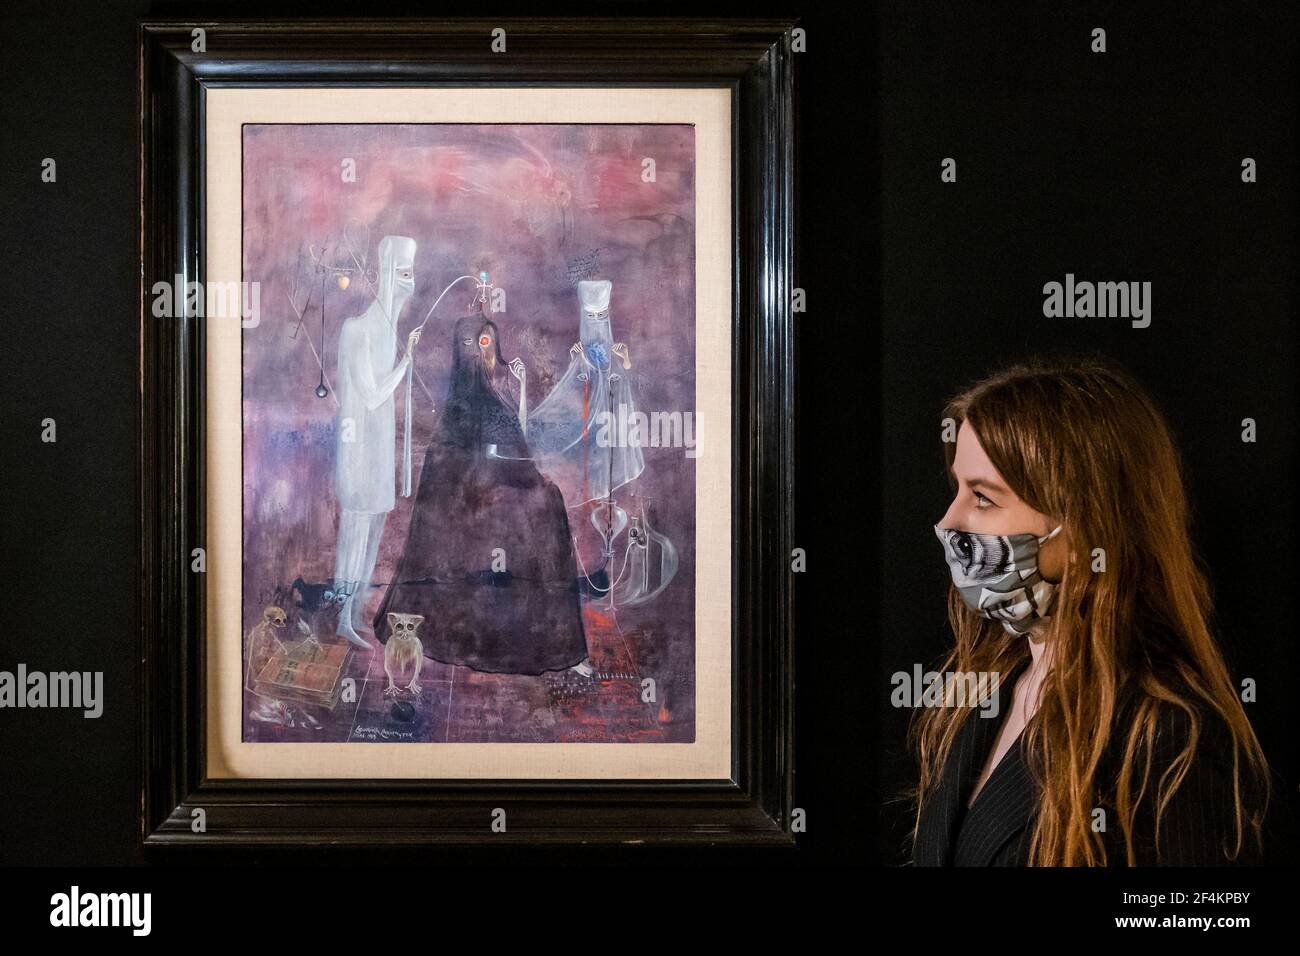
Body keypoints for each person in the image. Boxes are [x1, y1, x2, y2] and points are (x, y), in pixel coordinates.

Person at [911, 357, 1272, 866]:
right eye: (957, 490)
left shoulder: (1168, 735)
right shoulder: (981, 691)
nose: (950, 520)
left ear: (1084, 526)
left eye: (984, 498)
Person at [373, 313, 593, 676]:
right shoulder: (464, 405)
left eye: (492, 343)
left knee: (547, 505)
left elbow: (519, 447)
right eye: (482, 345)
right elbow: (461, 474)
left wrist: (520, 390)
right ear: (469, 353)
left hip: (501, 499)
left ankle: (559, 643)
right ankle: (551, 646)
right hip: (477, 514)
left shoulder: (492, 395)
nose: (490, 355)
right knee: (543, 510)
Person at [332, 235, 421, 647]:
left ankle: (351, 616)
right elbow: (370, 395)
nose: (411, 283)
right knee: (353, 536)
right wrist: (405, 365)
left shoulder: (387, 333)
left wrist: (404, 358)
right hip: (358, 457)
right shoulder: (358, 331)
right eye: (405, 274)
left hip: (379, 454)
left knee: (371, 540)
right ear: (388, 275)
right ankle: (340, 616)